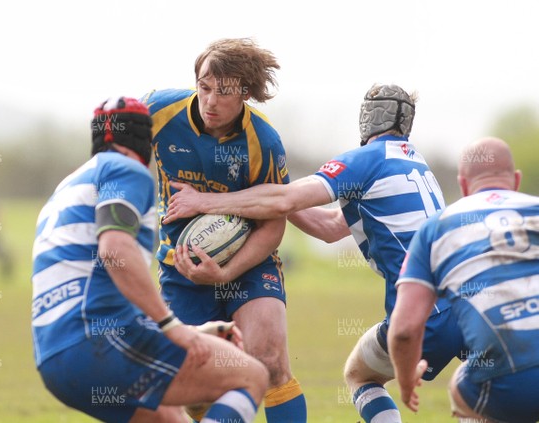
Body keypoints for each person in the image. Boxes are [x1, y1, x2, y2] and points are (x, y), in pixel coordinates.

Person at [165, 83, 466, 422]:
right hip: (466, 307)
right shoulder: (417, 165)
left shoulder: (366, 160)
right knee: (485, 398)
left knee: (360, 376)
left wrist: (206, 201)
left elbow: (285, 199)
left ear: (367, 117)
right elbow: (330, 226)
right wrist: (258, 189)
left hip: (422, 312)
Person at [31, 97, 269, 423]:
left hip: (53, 357)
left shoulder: (67, 188)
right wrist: (171, 326)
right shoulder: (124, 169)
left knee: (168, 417)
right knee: (251, 376)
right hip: (97, 341)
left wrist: (194, 332)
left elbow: (101, 287)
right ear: (145, 140)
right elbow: (115, 251)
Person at [140, 37, 307, 423]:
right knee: (194, 378)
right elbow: (114, 149)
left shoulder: (264, 142)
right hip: (181, 265)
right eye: (204, 87)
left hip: (250, 260)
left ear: (245, 93)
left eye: (224, 92)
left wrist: (228, 272)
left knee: (269, 361)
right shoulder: (158, 111)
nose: (211, 101)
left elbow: (272, 225)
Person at [389, 137, 539, 422]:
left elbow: (405, 329)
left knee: (463, 382)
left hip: (511, 377)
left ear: (463, 185)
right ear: (516, 180)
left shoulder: (437, 228)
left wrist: (406, 380)